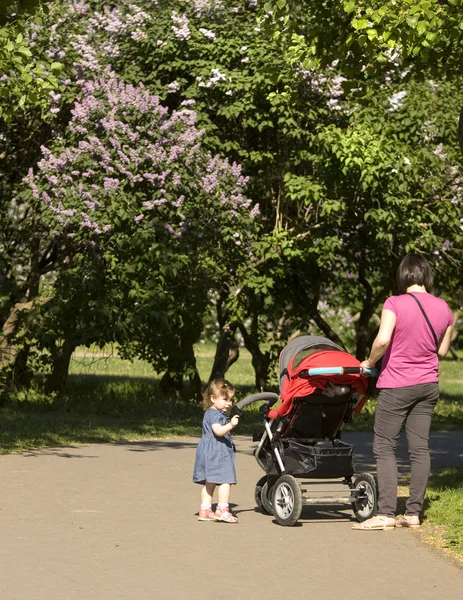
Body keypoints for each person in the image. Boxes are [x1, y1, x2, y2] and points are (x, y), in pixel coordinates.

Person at [352, 254, 454, 530]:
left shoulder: (394, 303)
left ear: (403, 276)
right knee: (420, 449)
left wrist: (369, 363)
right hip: (428, 385)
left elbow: (383, 339)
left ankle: (385, 513)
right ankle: (412, 514)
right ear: (426, 276)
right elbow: (441, 351)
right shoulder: (444, 308)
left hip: (397, 384)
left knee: (384, 446)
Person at [193, 378, 240, 523]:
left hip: (208, 451)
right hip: (217, 451)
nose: (229, 403)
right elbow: (218, 431)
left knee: (210, 481)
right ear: (213, 398)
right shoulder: (215, 415)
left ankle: (205, 509)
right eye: (225, 399)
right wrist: (231, 425)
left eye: (231, 399)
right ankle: (222, 509)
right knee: (226, 480)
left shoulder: (210, 413)